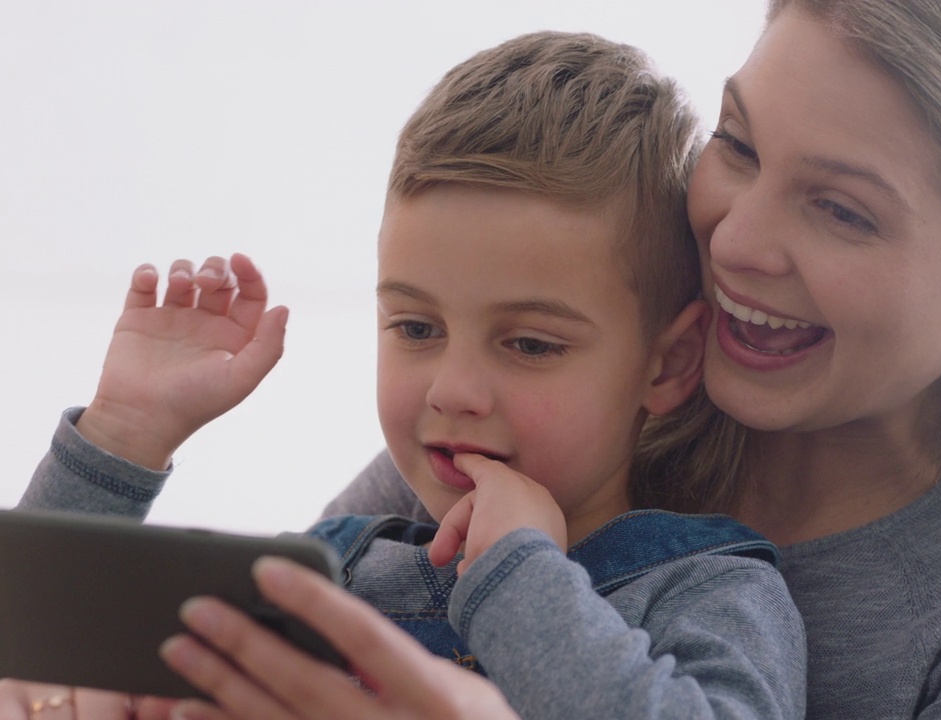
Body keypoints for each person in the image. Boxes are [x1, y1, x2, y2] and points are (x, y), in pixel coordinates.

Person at [10, 0, 941, 718]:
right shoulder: (554, 420)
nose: (735, 241)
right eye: (743, 146)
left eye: (844, 211)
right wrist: (116, 456)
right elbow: (88, 648)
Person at [10, 31, 806, 720]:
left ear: (666, 364)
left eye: (529, 344)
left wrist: (519, 577)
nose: (451, 389)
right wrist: (124, 436)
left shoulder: (708, 592)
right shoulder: (334, 567)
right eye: (417, 328)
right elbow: (29, 651)